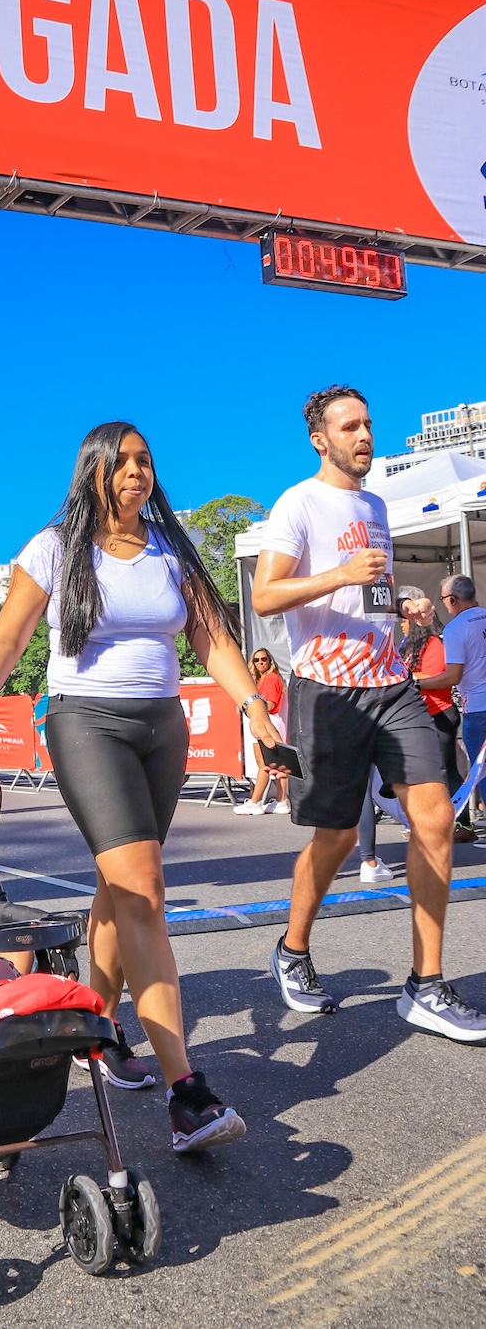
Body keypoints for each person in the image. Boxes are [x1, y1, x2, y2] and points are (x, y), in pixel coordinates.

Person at [0, 420, 285, 1152]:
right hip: (87, 723)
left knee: (118, 886)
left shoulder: (170, 548)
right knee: (143, 889)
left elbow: (211, 637)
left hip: (162, 728)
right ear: (95, 470)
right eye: (123, 461)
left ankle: (95, 1030)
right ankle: (185, 1093)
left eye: (146, 461)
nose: (138, 472)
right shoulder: (55, 547)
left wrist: (257, 712)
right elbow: (7, 639)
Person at [253, 385, 486, 1042]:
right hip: (327, 690)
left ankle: (426, 985)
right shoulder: (298, 502)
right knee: (334, 838)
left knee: (435, 819)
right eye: (349, 427)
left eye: (368, 424)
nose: (364, 436)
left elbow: (369, 595)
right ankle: (292, 949)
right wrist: (340, 575)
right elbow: (265, 595)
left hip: (392, 685)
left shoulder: (376, 504)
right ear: (319, 439)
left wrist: (393, 607)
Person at [396, 589, 473, 841]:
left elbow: (439, 678)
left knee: (447, 770)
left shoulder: (434, 644)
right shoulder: (409, 646)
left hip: (440, 713)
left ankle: (462, 824)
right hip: (422, 715)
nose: (401, 625)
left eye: (404, 620)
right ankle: (432, 822)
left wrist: (411, 679)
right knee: (428, 773)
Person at [234, 648, 290, 814]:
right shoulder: (261, 679)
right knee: (272, 765)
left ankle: (256, 801)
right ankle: (279, 801)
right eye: (256, 660)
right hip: (263, 721)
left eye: (263, 659)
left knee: (266, 765)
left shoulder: (271, 678)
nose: (260, 663)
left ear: (269, 660)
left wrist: (253, 707)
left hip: (267, 722)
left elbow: (270, 704)